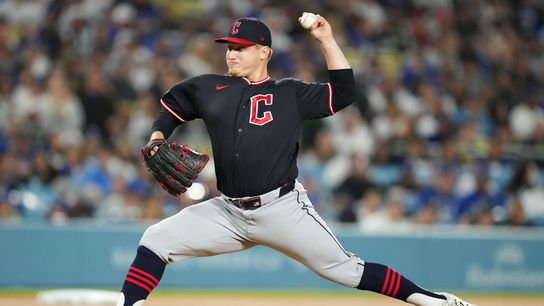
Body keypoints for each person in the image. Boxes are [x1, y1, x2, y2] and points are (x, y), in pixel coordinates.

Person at [116, 15, 476, 306]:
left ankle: (437, 302)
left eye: (241, 47)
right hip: (227, 211)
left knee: (348, 270)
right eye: (229, 46)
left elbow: (344, 92)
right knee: (155, 239)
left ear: (264, 52)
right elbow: (171, 106)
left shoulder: (290, 93)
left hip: (282, 209)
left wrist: (326, 41)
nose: (231, 53)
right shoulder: (210, 87)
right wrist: (158, 136)